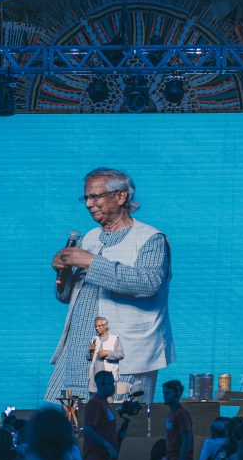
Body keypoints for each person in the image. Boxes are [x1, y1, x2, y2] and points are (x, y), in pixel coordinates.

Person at [47, 168, 174, 404]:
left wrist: (90, 261)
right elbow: (69, 296)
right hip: (80, 349)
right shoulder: (90, 238)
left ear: (121, 196)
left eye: (95, 197)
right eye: (86, 198)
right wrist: (62, 272)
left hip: (124, 351)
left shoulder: (150, 239)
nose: (89, 204)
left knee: (120, 418)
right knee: (72, 419)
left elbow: (148, 284)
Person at [87, 317, 124, 395]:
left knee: (107, 400)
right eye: (96, 326)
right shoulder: (94, 339)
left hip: (107, 378)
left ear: (106, 326)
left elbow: (121, 354)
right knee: (93, 400)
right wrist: (91, 351)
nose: (97, 328)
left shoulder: (114, 339)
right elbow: (88, 357)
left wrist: (107, 353)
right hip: (94, 379)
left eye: (99, 326)